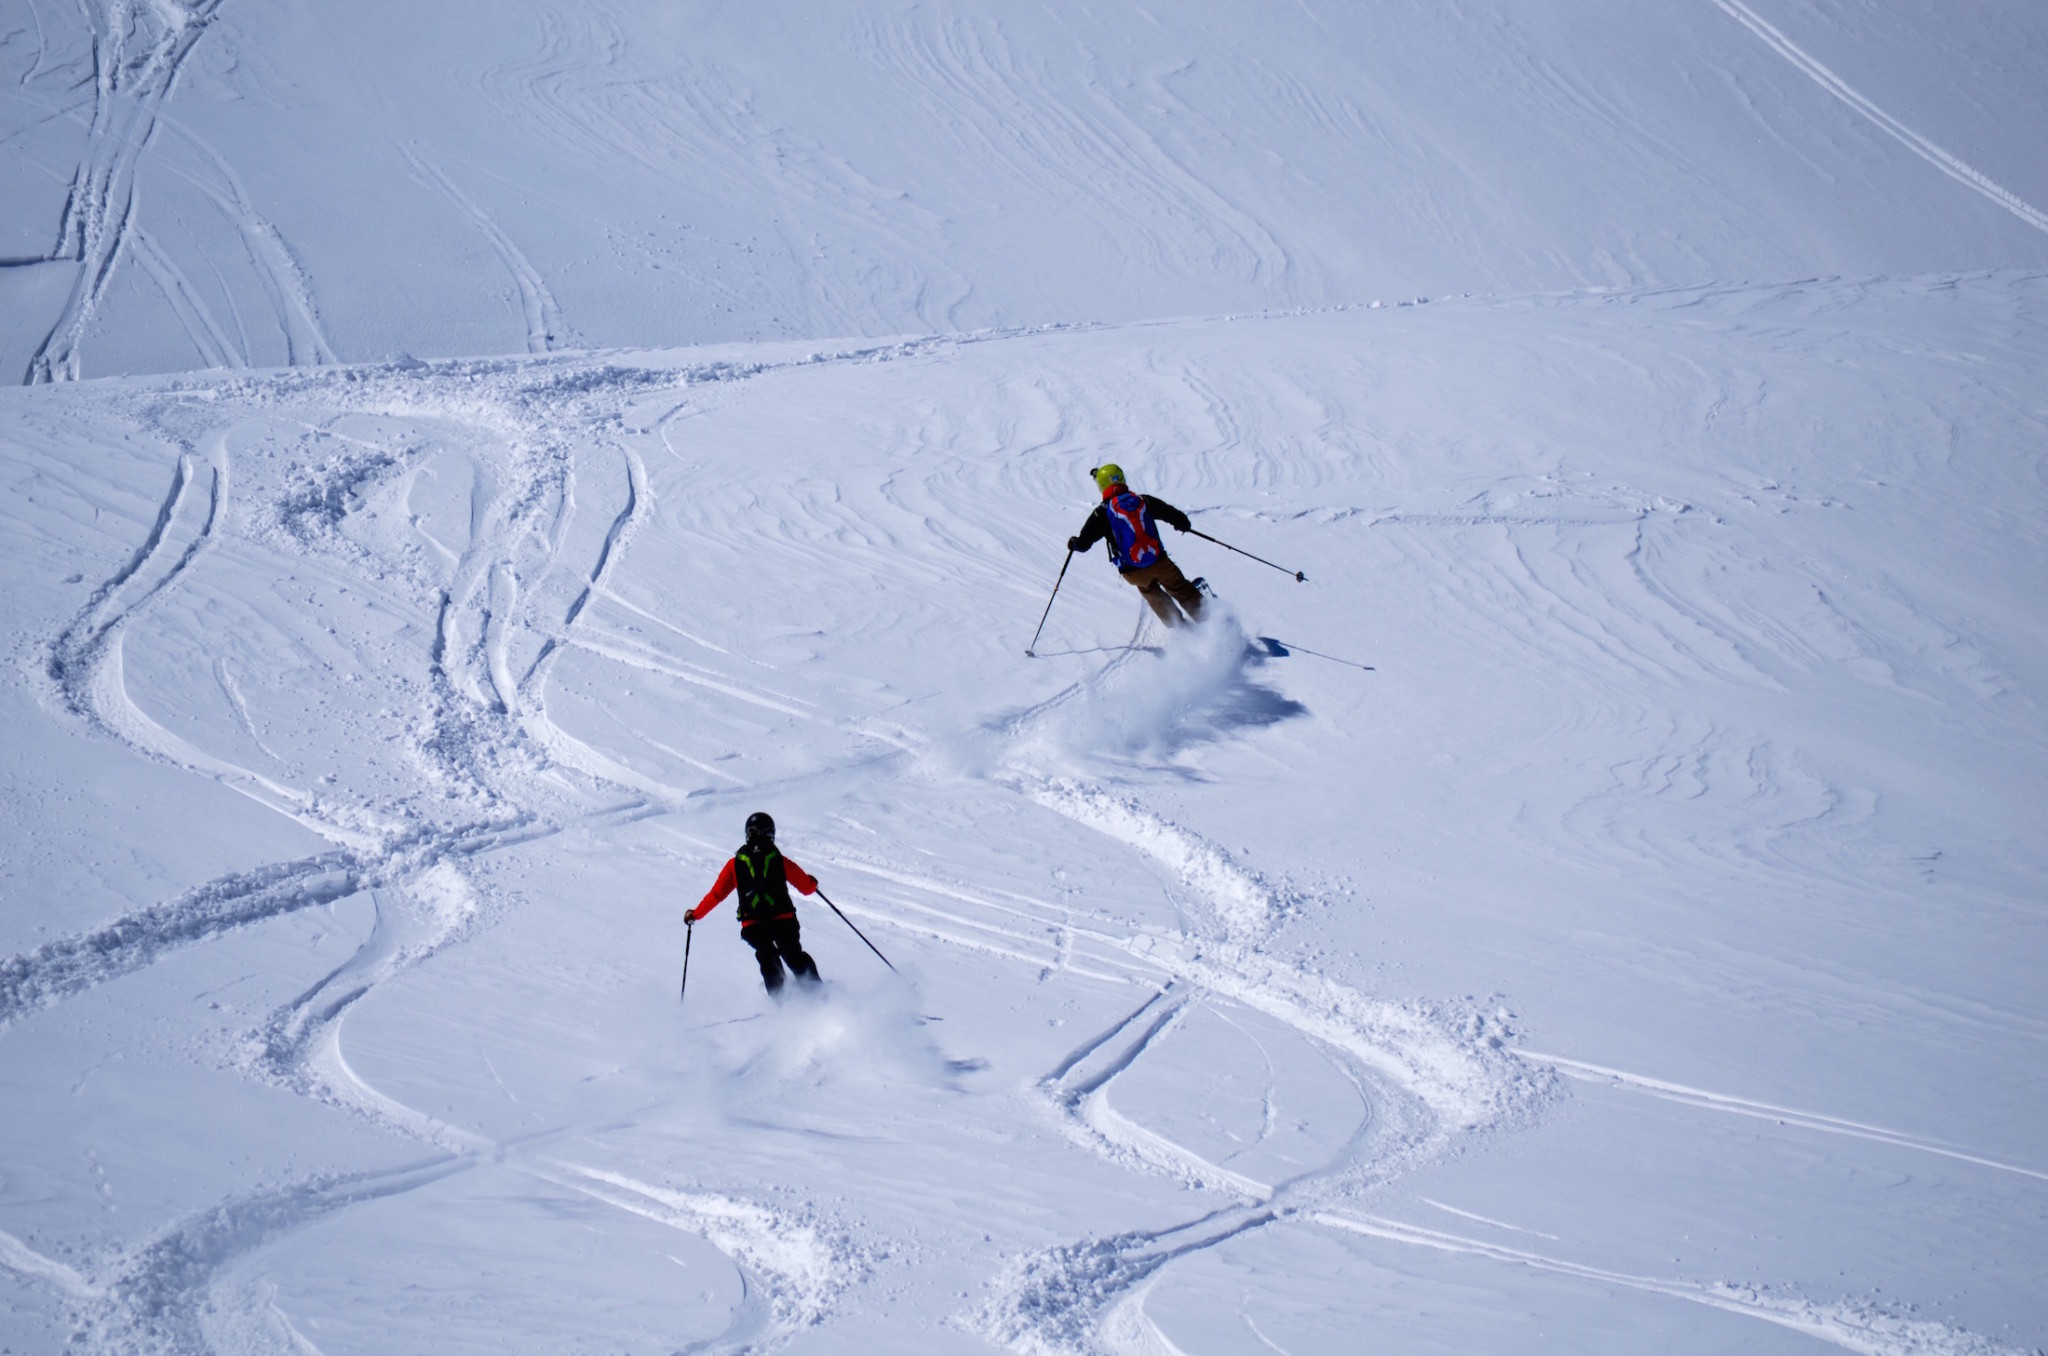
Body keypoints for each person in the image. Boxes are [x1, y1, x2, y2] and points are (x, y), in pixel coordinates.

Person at [686, 812, 822, 994]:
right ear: (771, 834)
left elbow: (717, 895)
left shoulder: (735, 864)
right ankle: (818, 994)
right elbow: (806, 888)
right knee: (793, 955)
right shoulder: (779, 859)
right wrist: (812, 883)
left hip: (753, 924)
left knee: (767, 956)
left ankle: (781, 1004)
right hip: (784, 919)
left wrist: (695, 914)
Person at [1066, 464, 1206, 627]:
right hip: (1158, 561)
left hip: (1132, 571)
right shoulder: (1144, 501)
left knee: (1150, 591)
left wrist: (1073, 543)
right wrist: (1182, 524)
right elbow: (1176, 516)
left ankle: (1181, 630)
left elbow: (1083, 545)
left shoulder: (1101, 514)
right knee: (1179, 588)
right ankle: (1210, 622)